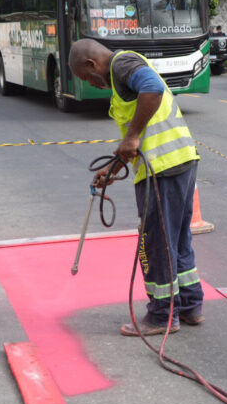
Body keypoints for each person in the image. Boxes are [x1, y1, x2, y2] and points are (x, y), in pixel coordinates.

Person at [68, 39, 204, 337]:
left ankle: (161, 315)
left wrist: (131, 136)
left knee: (155, 244)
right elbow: (134, 142)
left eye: (87, 79)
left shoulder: (122, 64)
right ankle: (190, 305)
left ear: (92, 65)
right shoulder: (121, 76)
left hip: (162, 169)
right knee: (178, 240)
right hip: (179, 161)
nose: (92, 85)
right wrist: (112, 168)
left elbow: (152, 89)